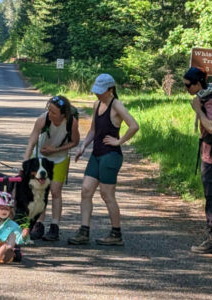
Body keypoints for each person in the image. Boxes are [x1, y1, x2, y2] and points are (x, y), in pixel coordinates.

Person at [68, 74, 139, 246]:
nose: (97, 94)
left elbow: (134, 126)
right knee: (86, 190)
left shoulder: (117, 105)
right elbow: (93, 129)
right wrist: (84, 146)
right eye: (96, 91)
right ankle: (84, 231)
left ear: (110, 89)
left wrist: (119, 141)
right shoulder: (97, 104)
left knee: (107, 195)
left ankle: (116, 234)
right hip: (97, 154)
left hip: (111, 156)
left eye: (100, 91)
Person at [183, 67, 212, 254]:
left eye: (188, 85)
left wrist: (198, 110)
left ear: (198, 83)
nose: (186, 88)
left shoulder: (211, 102)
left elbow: (211, 127)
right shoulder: (209, 96)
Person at [23, 95, 80, 241]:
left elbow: (75, 142)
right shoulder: (43, 119)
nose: (50, 114)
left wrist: (55, 149)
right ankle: (39, 224)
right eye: (49, 110)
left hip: (60, 158)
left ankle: (54, 226)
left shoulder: (71, 122)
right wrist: (25, 163)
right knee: (41, 191)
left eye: (54, 112)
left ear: (63, 114)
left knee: (55, 191)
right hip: (42, 159)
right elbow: (32, 141)